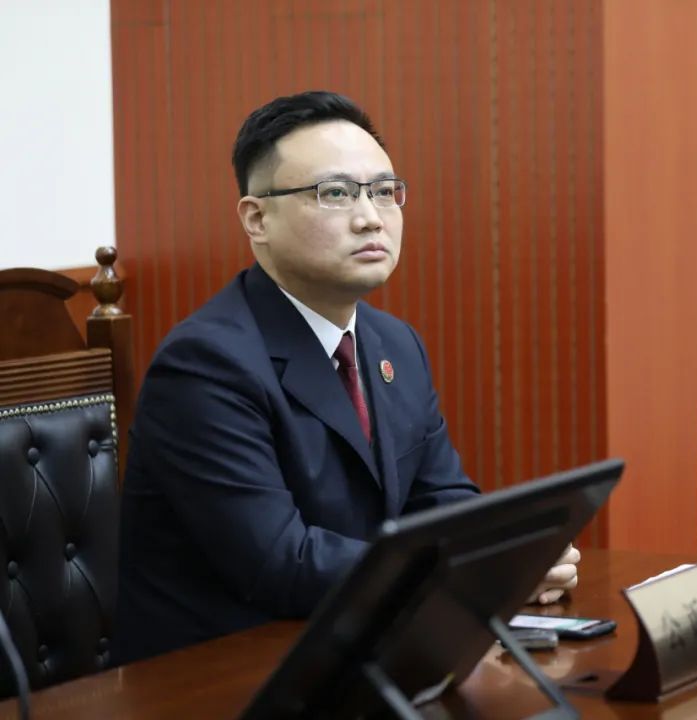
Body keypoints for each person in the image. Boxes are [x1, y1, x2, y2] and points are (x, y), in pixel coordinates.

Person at [114, 90, 579, 664]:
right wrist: (465, 573)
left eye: (384, 192)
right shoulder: (205, 364)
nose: (370, 218)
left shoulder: (394, 344)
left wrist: (506, 558)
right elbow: (279, 561)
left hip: (355, 648)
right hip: (218, 675)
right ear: (257, 219)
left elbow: (442, 500)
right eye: (335, 193)